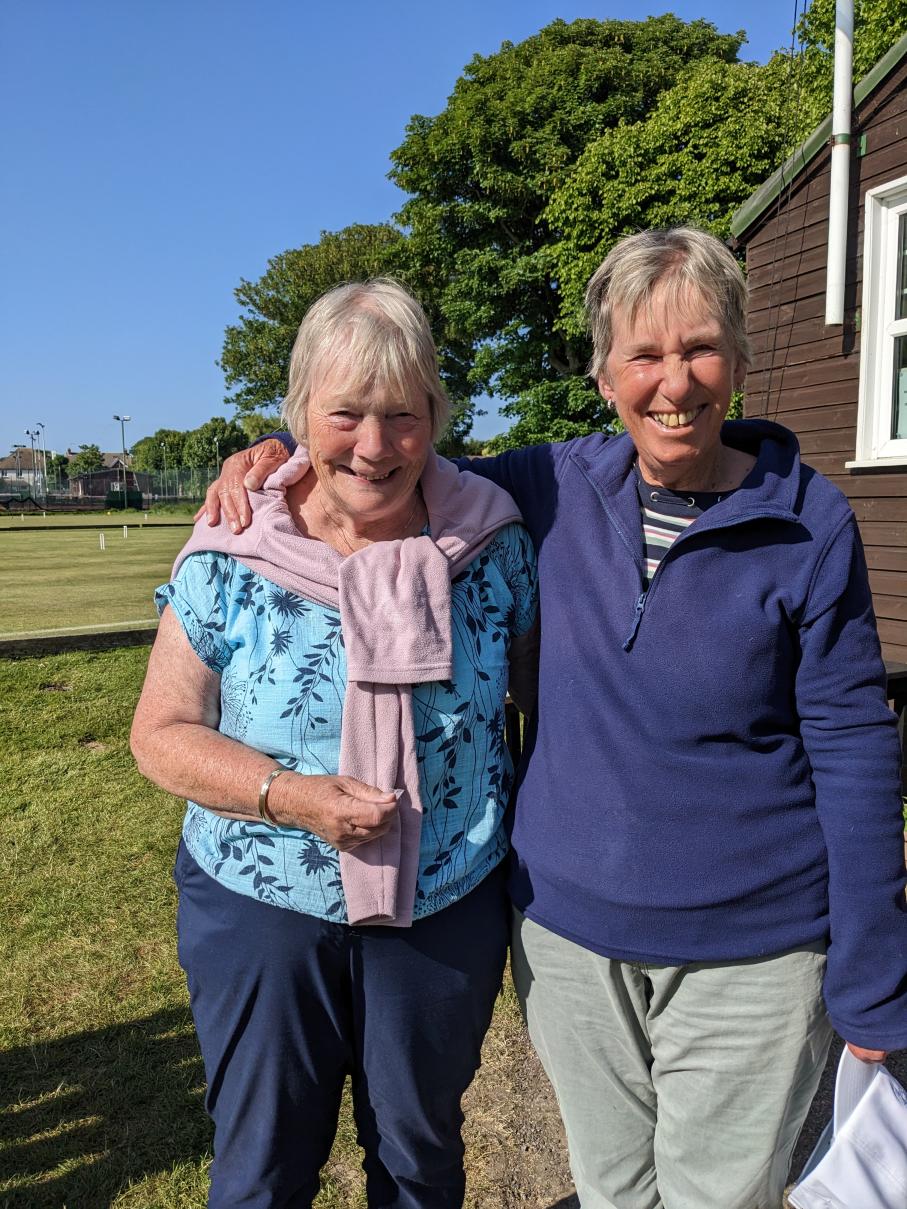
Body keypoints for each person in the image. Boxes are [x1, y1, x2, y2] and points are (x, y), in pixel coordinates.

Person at [203, 228, 907, 1209]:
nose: (675, 383)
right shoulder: (548, 486)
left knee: (720, 1195)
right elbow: (386, 453)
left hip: (756, 946)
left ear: (740, 359)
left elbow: (854, 746)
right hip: (570, 939)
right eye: (643, 356)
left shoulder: (809, 522)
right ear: (603, 373)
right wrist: (278, 449)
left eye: (701, 349)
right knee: (614, 1191)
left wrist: (874, 967)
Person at [131, 279, 538, 1209]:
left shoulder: (494, 541)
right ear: (298, 415)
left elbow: (541, 702)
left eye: (402, 415)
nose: (373, 444)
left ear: (435, 412)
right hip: (259, 906)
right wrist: (292, 795)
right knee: (263, 1166)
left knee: (421, 1157)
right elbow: (159, 734)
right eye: (344, 413)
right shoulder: (235, 541)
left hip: (446, 900)